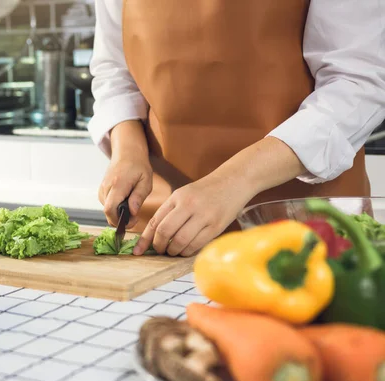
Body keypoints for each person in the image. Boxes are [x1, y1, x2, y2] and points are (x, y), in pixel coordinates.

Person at [87, 0, 385, 257]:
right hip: (163, 231)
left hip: (308, 228)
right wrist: (127, 151)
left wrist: (234, 181)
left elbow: (356, 84)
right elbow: (115, 72)